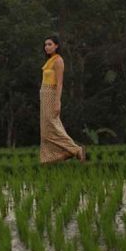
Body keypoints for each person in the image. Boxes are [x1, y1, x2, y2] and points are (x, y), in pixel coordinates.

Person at [40, 36, 86, 164]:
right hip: (44, 95)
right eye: (45, 45)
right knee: (46, 129)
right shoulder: (49, 60)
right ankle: (54, 157)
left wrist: (57, 101)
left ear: (56, 46)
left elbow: (60, 83)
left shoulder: (58, 60)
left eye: (49, 44)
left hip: (51, 94)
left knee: (52, 126)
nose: (47, 47)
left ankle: (76, 150)